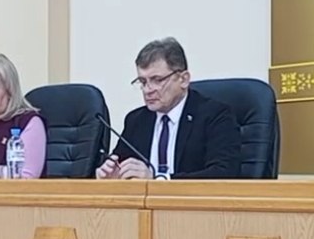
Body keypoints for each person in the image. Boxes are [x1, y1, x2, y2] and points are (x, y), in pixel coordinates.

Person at [96, 37, 242, 180]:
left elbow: (223, 173)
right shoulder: (136, 120)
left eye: (157, 80)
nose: (147, 90)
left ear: (183, 79)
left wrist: (158, 180)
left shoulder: (215, 116)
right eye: (143, 81)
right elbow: (119, 164)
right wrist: (110, 175)